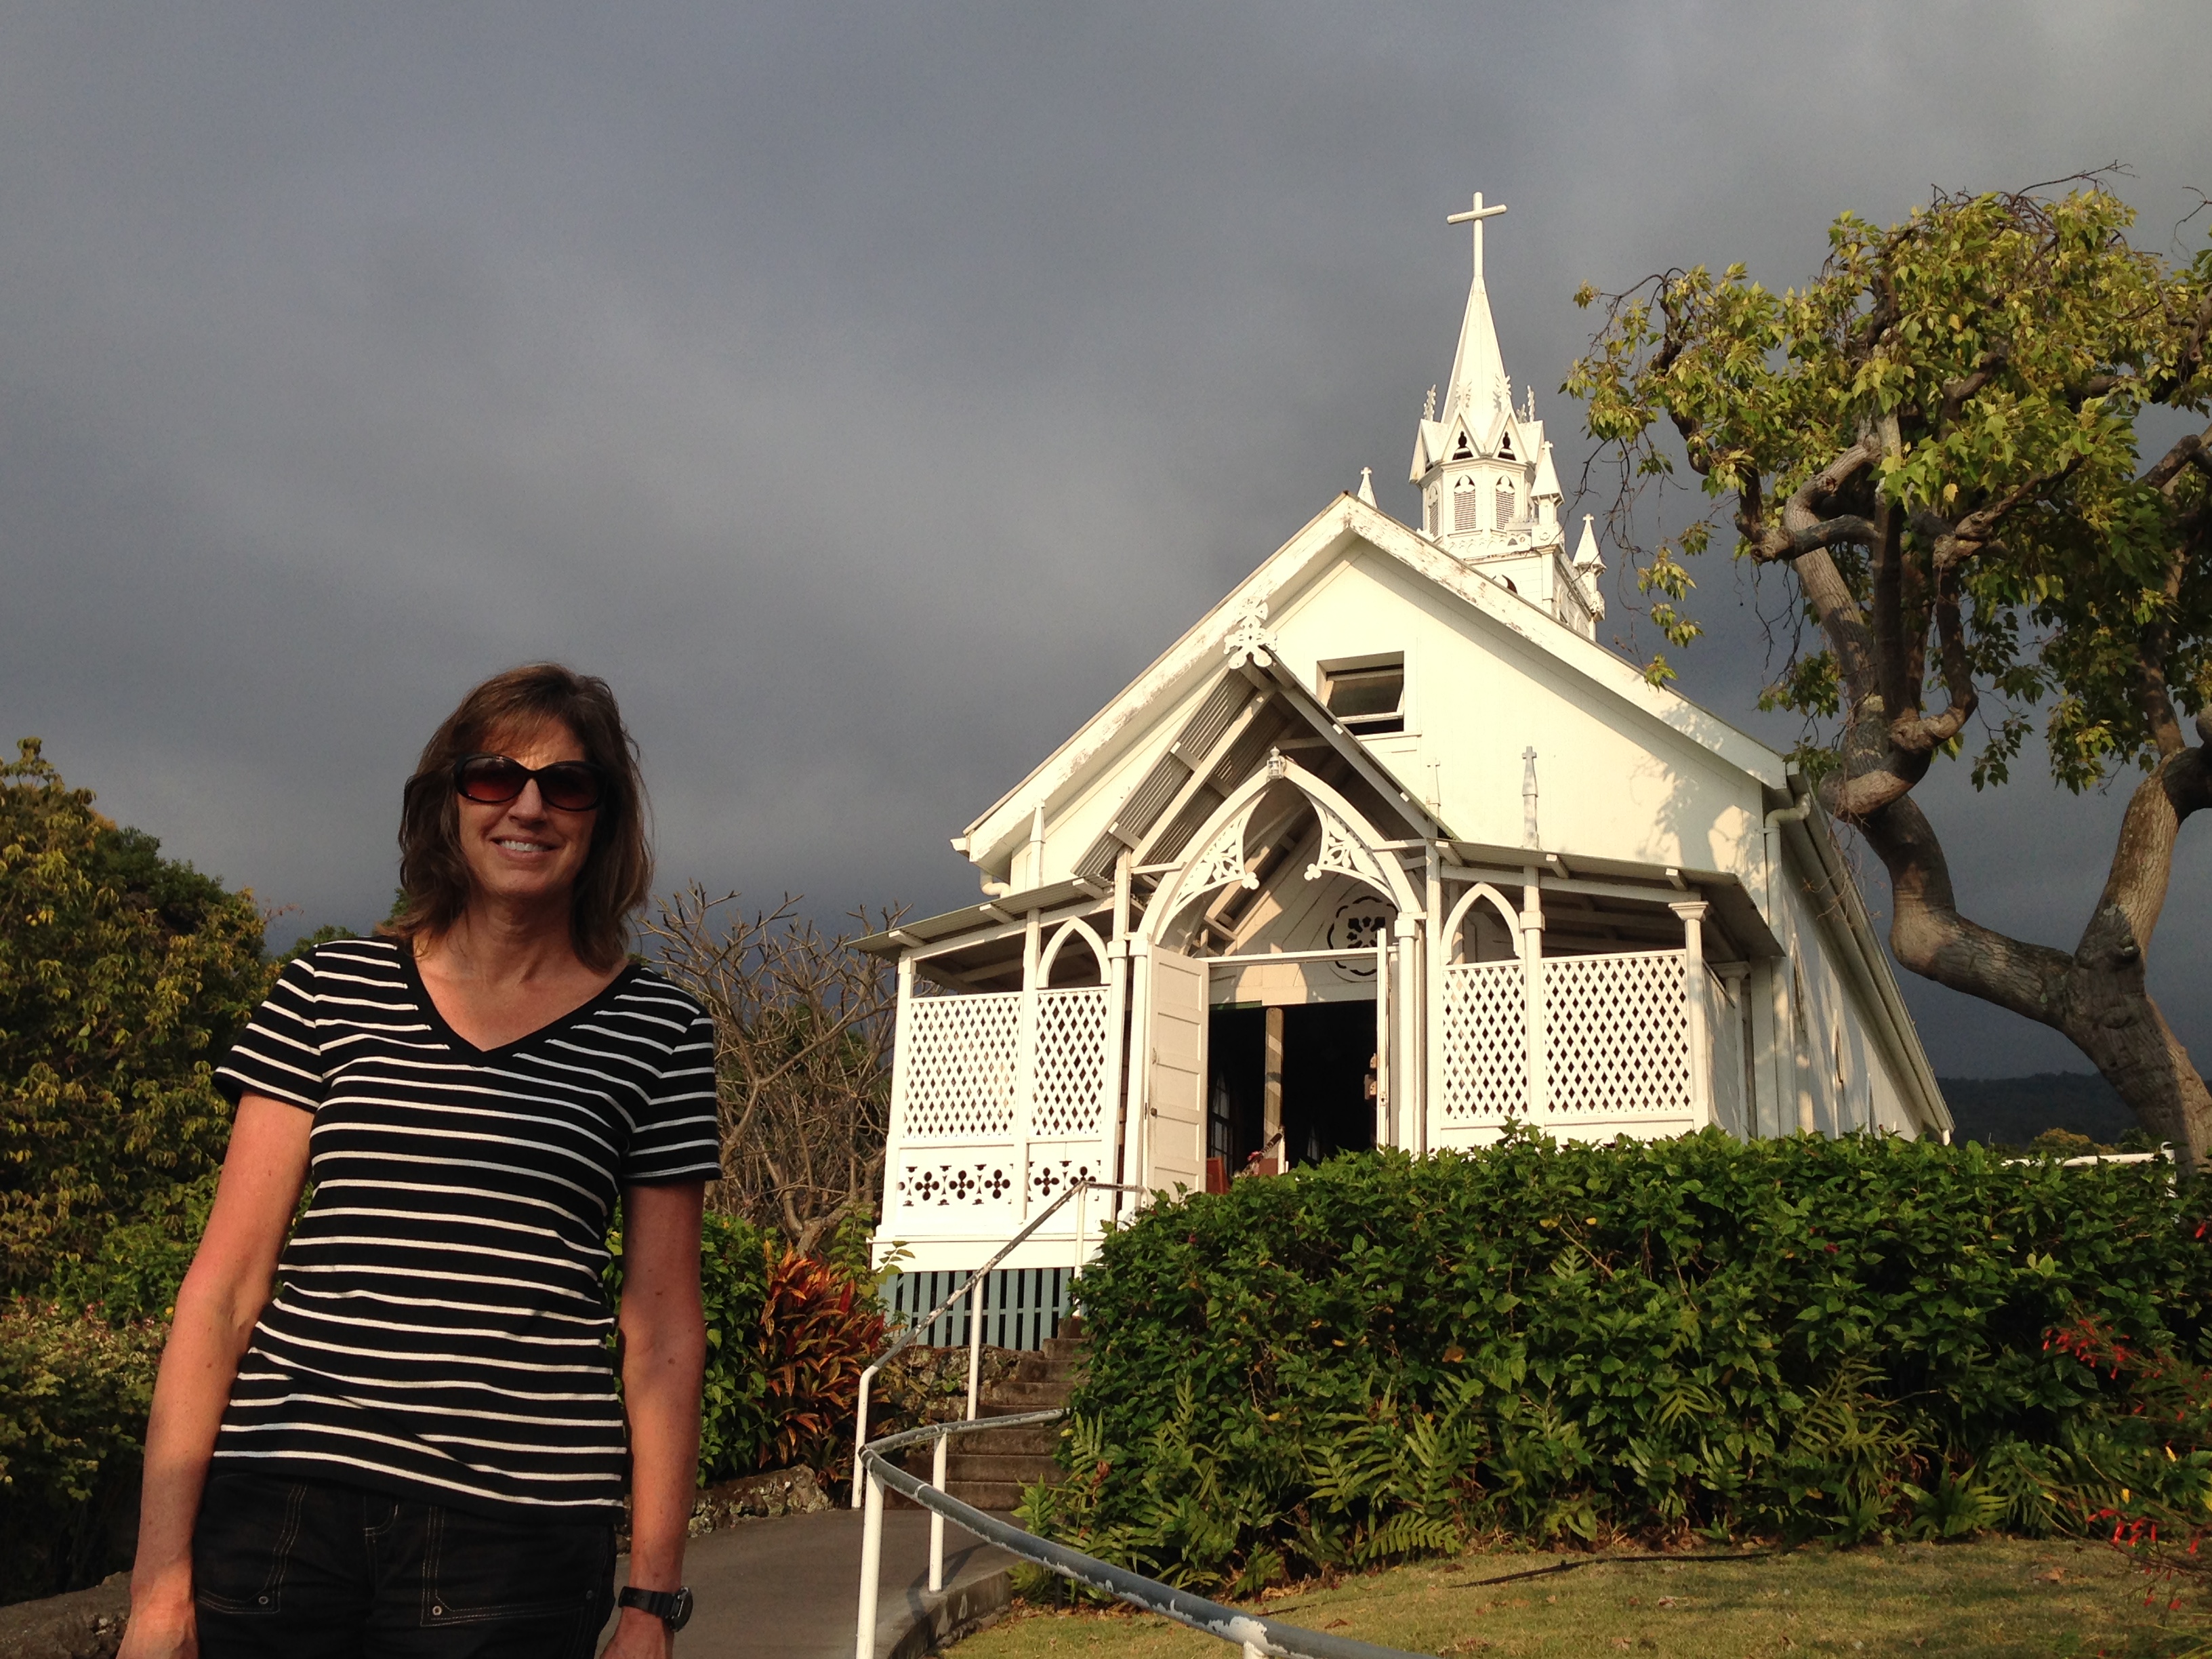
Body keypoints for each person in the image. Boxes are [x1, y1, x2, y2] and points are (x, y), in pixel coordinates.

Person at [121, 665, 718, 1659]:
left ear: (602, 819)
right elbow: (223, 1290)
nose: (528, 805)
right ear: (448, 800)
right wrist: (157, 1586)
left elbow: (660, 1332)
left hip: (515, 1543)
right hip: (281, 1516)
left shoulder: (660, 1032)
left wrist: (653, 1605)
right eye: (495, 777)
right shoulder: (326, 991)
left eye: (567, 785)